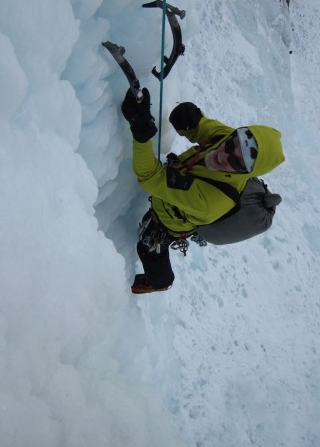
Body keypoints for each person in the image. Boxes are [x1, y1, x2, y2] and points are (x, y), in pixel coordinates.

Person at [121, 88, 285, 294]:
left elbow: (151, 177)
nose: (224, 156)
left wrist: (140, 135)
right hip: (172, 198)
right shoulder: (229, 139)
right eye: (231, 145)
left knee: (149, 249)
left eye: (236, 162)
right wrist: (192, 120)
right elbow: (204, 130)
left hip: (170, 221)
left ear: (246, 173)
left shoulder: (212, 201)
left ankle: (160, 282)